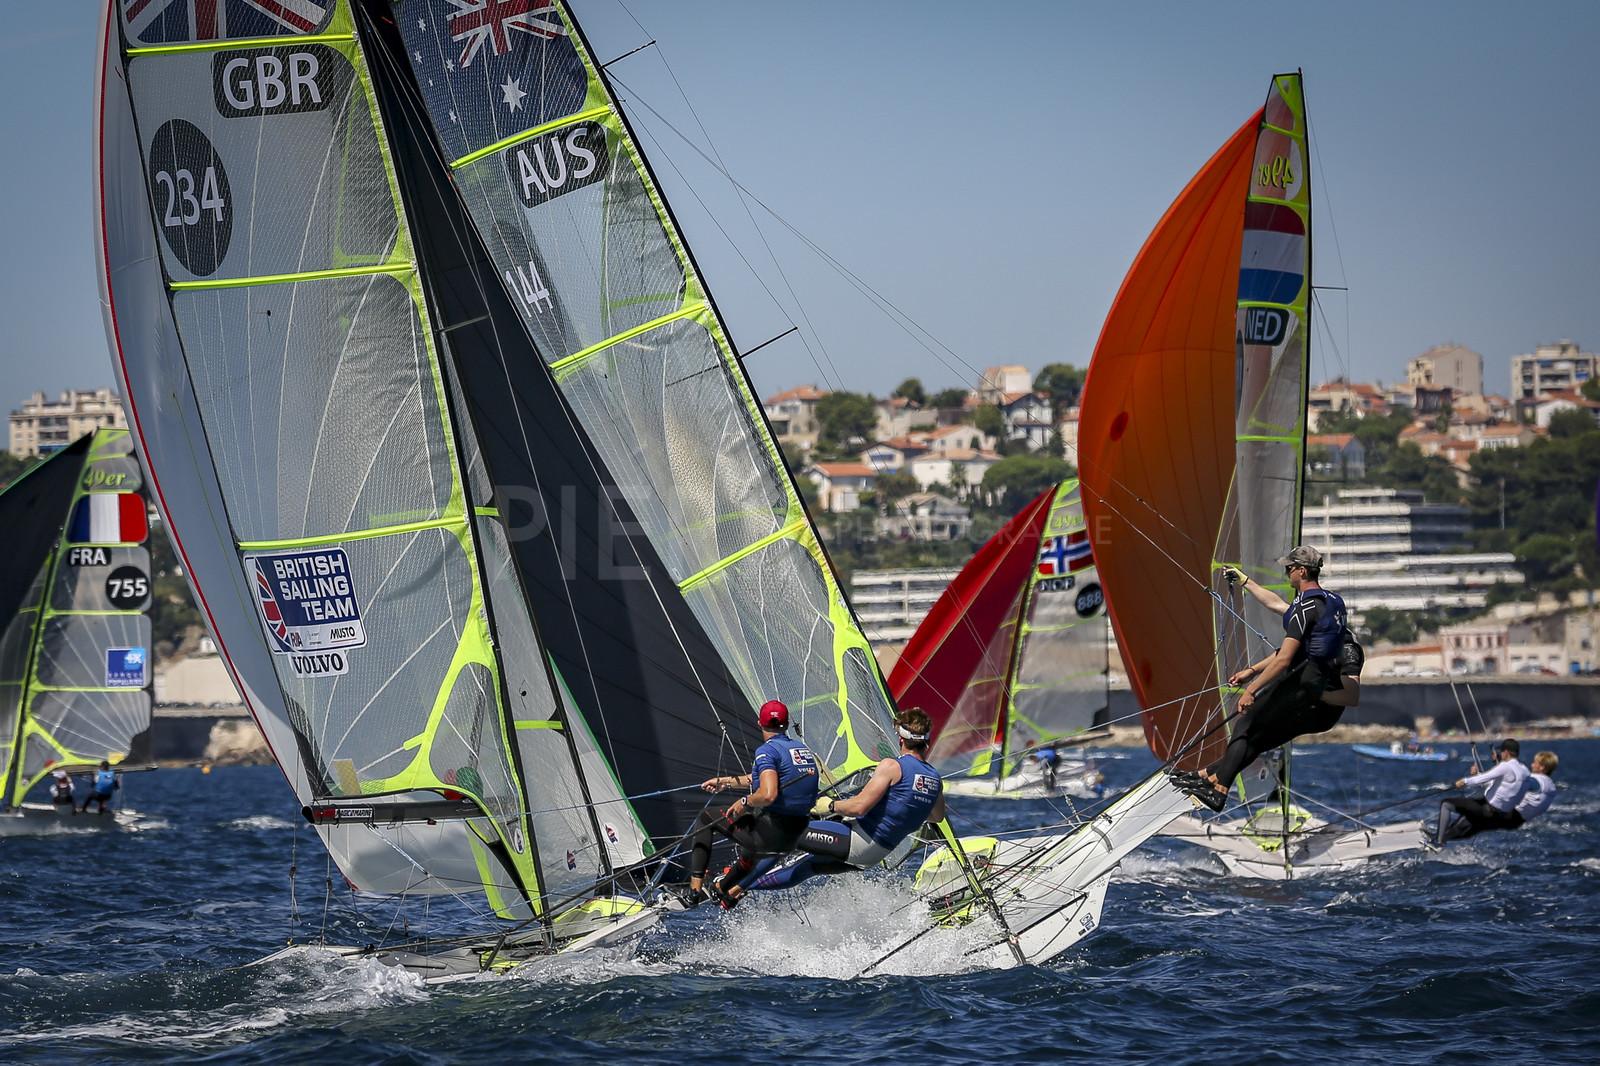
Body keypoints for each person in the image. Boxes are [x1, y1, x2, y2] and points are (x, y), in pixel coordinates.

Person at [1172, 546, 1350, 811]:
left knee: (1245, 727)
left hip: (1302, 679)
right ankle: (1207, 776)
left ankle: (1219, 790)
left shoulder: (1306, 607)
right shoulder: (1331, 601)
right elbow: (1276, 604)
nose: (1286, 572)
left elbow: (1284, 659)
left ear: (1301, 570)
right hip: (1318, 682)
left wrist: (1251, 689)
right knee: (1257, 738)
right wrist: (1246, 581)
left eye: (1289, 568)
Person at [726, 708, 946, 904]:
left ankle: (732, 881)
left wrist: (829, 805)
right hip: (873, 856)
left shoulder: (892, 765)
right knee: (807, 867)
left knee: (786, 834)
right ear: (926, 741)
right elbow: (936, 816)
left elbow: (859, 807)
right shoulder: (935, 778)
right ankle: (737, 891)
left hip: (859, 841)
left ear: (900, 739)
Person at [682, 700, 818, 908]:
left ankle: (694, 889)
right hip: (794, 836)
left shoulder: (767, 751)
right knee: (752, 845)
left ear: (759, 723)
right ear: (787, 724)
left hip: (770, 833)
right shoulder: (801, 750)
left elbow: (769, 793)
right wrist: (726, 783)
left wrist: (745, 801)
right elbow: (766, 779)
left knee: (707, 817)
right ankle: (721, 889)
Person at [1436, 741, 1545, 843]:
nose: (1500, 754)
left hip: (1487, 809)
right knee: (1465, 826)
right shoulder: (1525, 770)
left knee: (1446, 804)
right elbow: (1499, 785)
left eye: (1501, 751)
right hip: (1501, 816)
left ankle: (1438, 841)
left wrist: (1464, 781)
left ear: (1506, 752)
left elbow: (1483, 779)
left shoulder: (1505, 767)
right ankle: (1440, 840)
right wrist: (1476, 774)